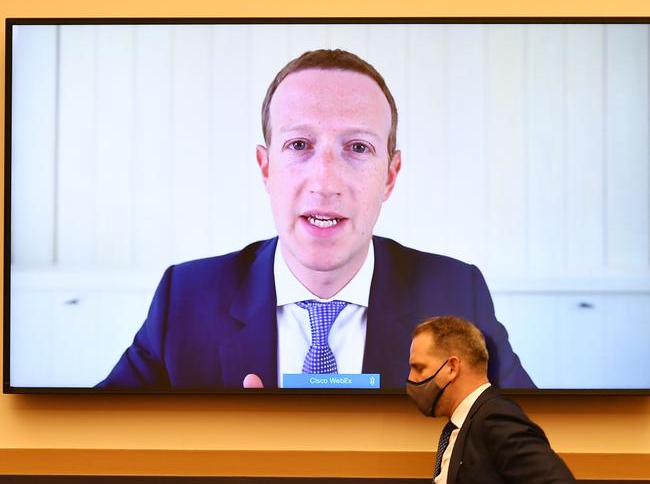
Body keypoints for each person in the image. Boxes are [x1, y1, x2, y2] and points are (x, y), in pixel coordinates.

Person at [97, 49, 534, 390]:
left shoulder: (457, 297)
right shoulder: (186, 299)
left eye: (358, 148)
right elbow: (90, 441)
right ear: (266, 168)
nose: (325, 181)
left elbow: (533, 445)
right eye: (300, 145)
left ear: (390, 175)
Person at [406, 316, 575, 483]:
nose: (411, 378)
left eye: (419, 368)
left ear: (452, 368)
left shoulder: (494, 417)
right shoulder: (461, 426)